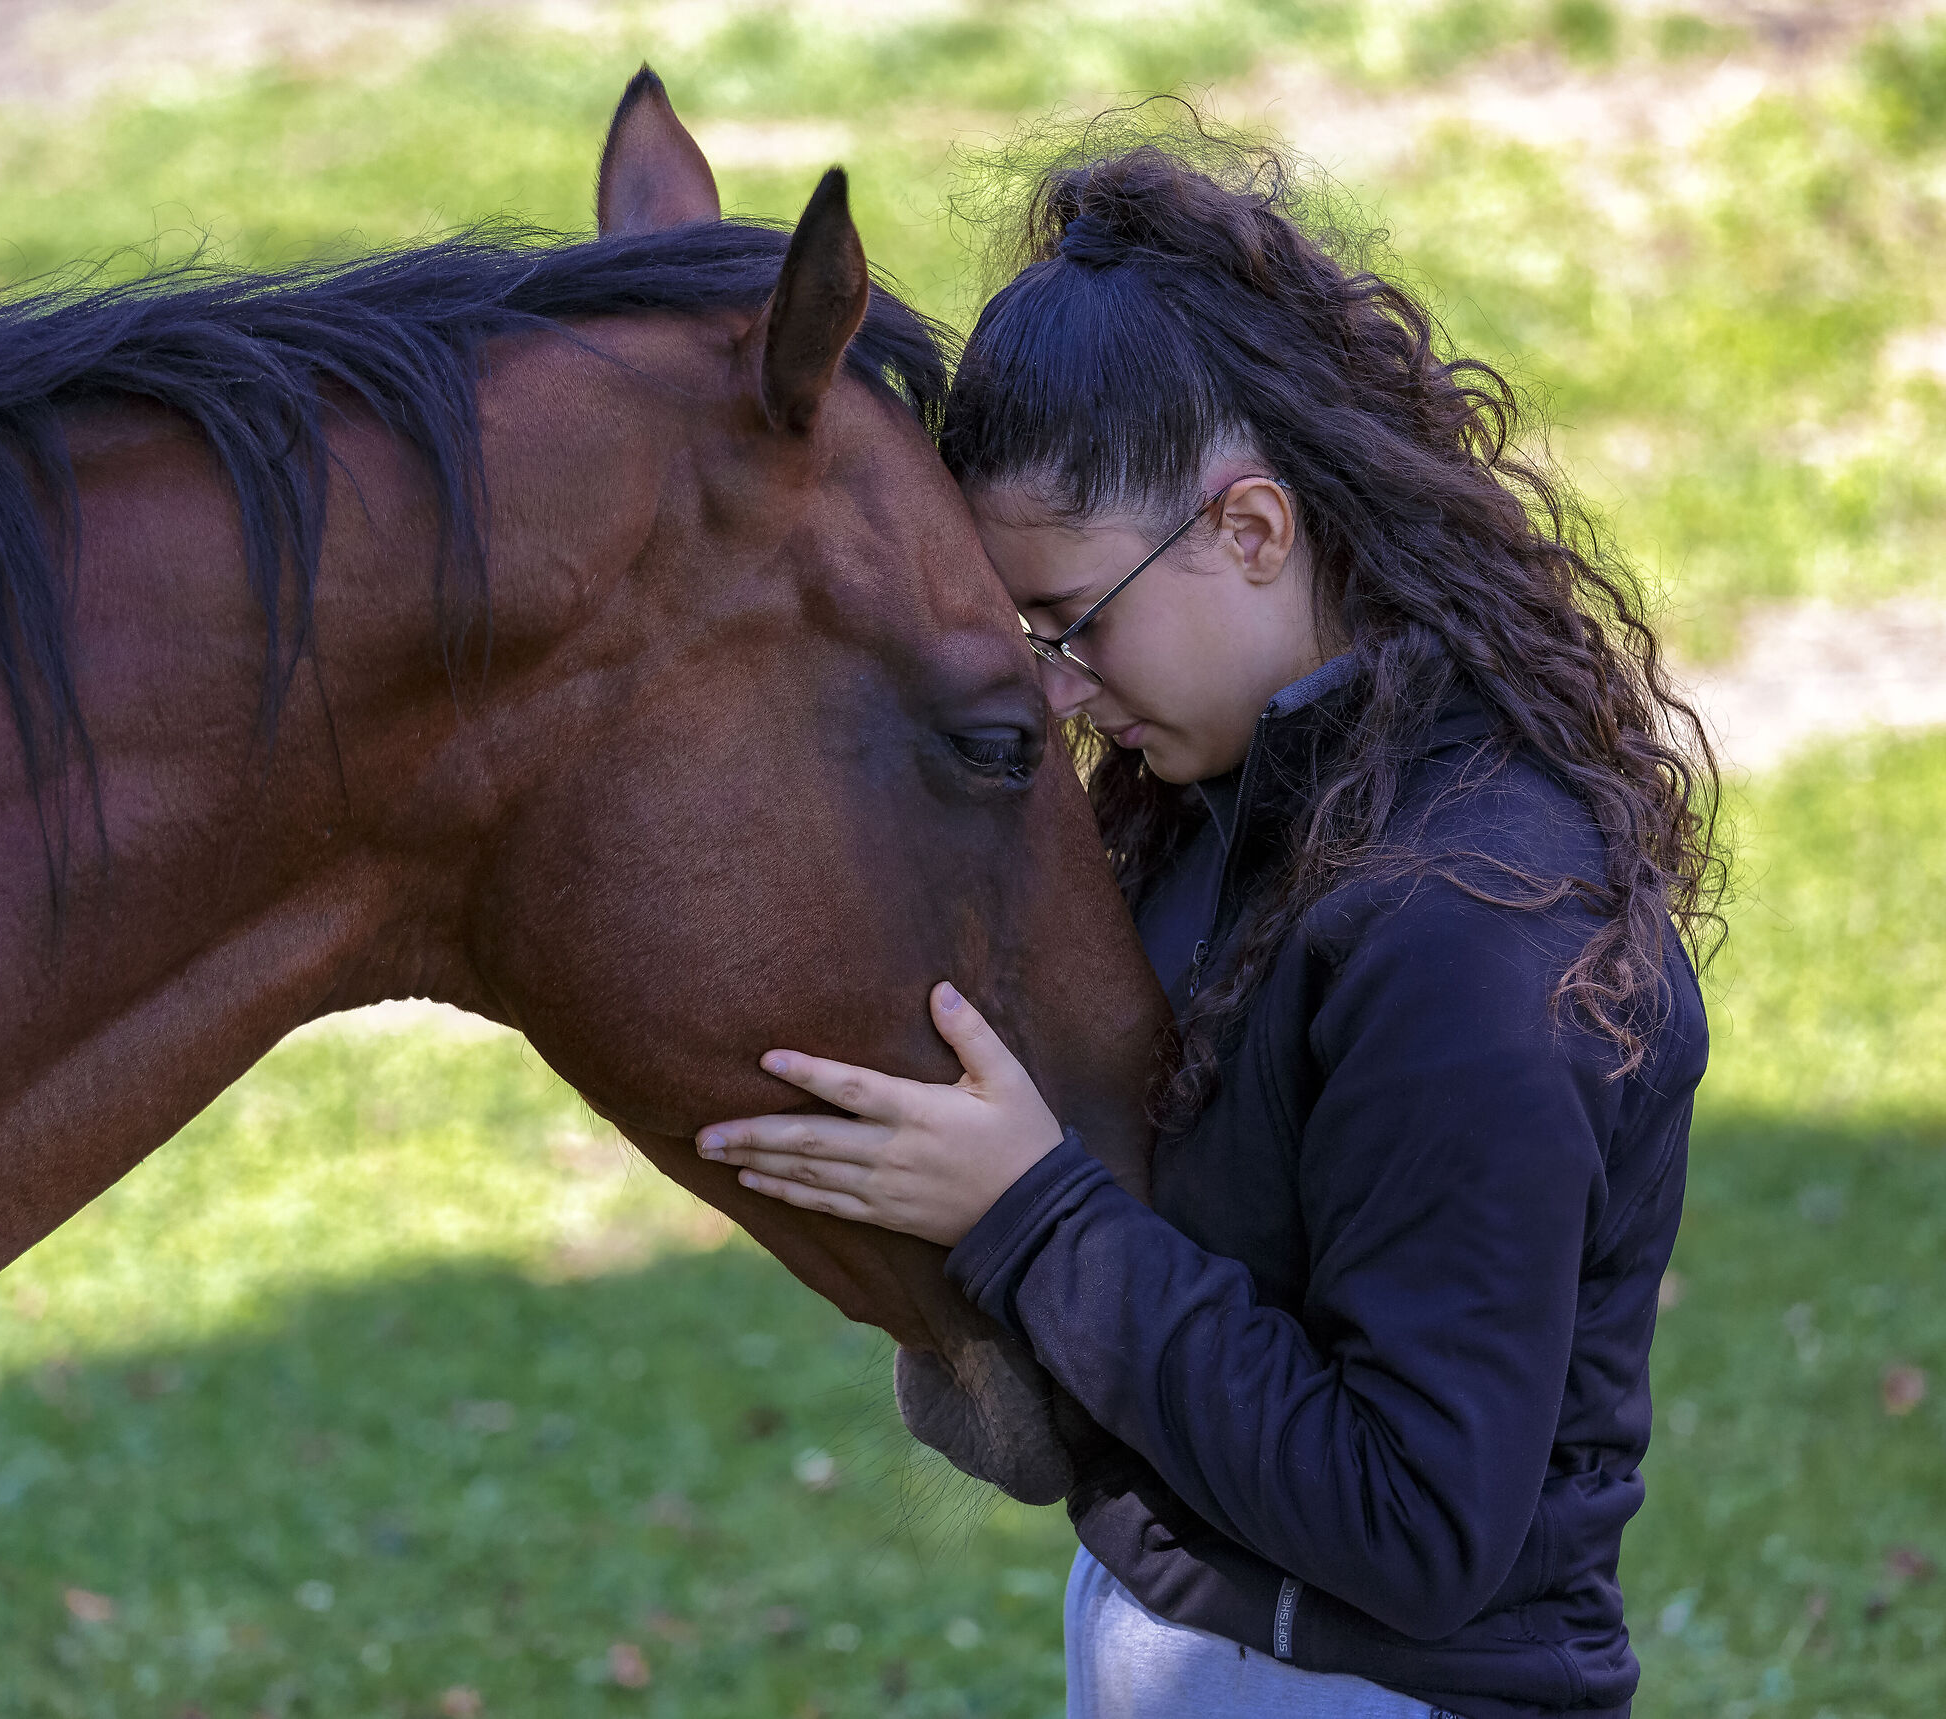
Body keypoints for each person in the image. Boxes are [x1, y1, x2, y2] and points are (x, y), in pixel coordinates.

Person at [695, 124, 1721, 1719]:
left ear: (1251, 530)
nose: (1054, 684)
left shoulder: (1472, 926)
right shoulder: (1229, 800)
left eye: (1070, 621)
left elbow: (1417, 1521)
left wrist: (1029, 1215)